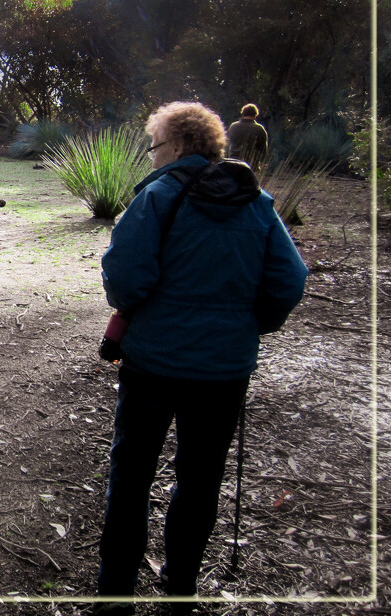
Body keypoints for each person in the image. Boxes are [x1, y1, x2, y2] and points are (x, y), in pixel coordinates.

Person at [94, 102, 308, 616]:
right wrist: (248, 325)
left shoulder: (158, 199)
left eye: (155, 146)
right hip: (223, 370)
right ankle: (180, 589)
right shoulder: (256, 204)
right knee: (201, 477)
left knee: (132, 473)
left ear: (180, 147)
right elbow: (290, 279)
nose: (152, 157)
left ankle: (116, 592)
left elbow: (125, 281)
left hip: (152, 363)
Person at [226, 103, 268, 171]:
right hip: (251, 165)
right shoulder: (259, 128)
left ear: (243, 113)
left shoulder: (233, 126)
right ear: (255, 115)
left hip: (233, 162)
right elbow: (263, 149)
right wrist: (262, 162)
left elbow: (227, 144)